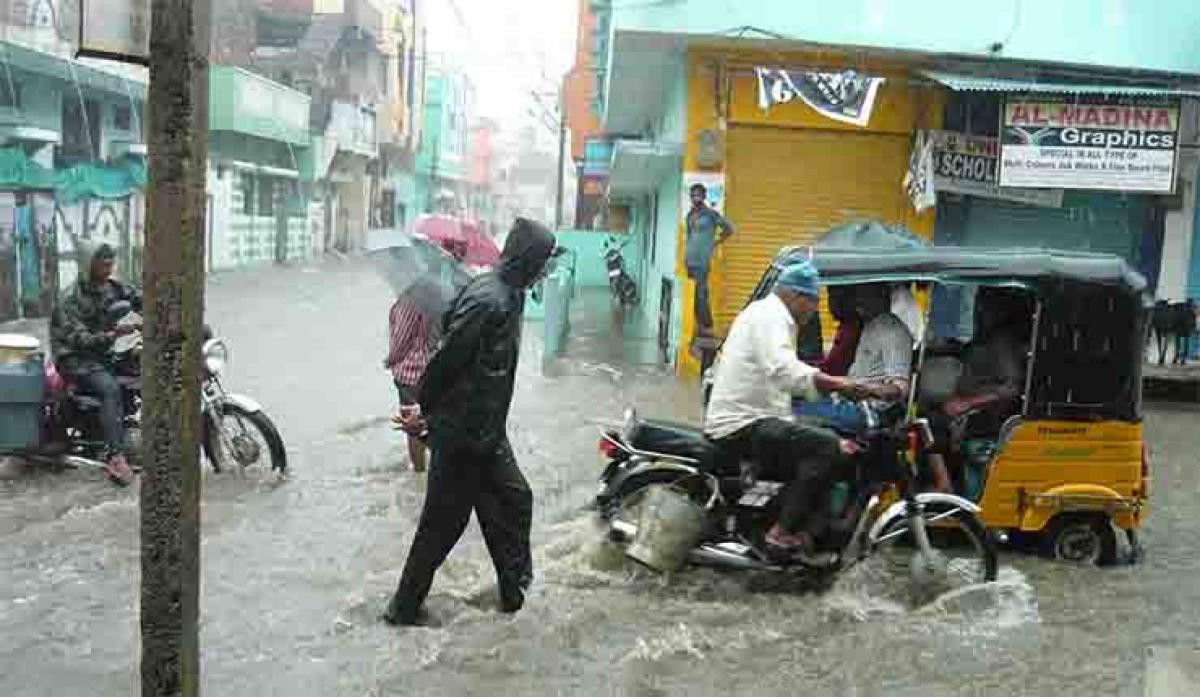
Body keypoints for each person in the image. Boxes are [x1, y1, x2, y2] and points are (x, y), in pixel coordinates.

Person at [383, 218, 557, 627]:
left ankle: (515, 595)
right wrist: (425, 410)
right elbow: (446, 361)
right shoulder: (488, 299)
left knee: (514, 501)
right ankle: (402, 611)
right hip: (462, 436)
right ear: (525, 259)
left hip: (487, 432)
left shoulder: (510, 294)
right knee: (441, 528)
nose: (545, 270)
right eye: (542, 261)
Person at [704, 260, 887, 558]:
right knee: (830, 446)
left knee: (822, 433)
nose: (815, 311)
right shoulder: (771, 317)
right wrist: (841, 385)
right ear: (797, 296)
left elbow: (787, 377)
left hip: (758, 416)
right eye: (813, 302)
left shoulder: (768, 314)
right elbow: (783, 370)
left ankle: (798, 522)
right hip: (743, 423)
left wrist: (833, 389)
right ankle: (781, 532)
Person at [50, 241, 140, 486]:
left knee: (137, 370)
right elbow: (82, 340)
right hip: (74, 358)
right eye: (103, 264)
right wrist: (116, 334)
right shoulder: (69, 299)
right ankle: (115, 456)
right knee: (109, 388)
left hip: (101, 354)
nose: (109, 268)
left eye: (111, 263)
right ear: (88, 264)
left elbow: (138, 298)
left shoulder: (112, 287)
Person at [384, 237, 468, 473]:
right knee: (428, 421)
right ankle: (438, 468)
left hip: (410, 373)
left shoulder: (411, 298)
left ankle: (418, 471)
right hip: (431, 370)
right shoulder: (440, 293)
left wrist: (388, 360)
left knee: (412, 425)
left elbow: (401, 341)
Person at [796, 284, 913, 432]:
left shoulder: (892, 331)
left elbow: (899, 390)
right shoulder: (870, 325)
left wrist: (856, 386)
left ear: (879, 294)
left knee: (793, 411)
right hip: (846, 402)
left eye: (859, 293)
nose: (854, 299)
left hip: (867, 411)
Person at [684, 183, 735, 337]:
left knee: (701, 294)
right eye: (693, 195)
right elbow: (689, 236)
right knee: (692, 295)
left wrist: (716, 242)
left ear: (704, 196)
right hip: (690, 259)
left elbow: (729, 229)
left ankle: (707, 327)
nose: (695, 198)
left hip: (702, 260)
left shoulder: (710, 214)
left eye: (698, 195)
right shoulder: (689, 215)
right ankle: (697, 327)